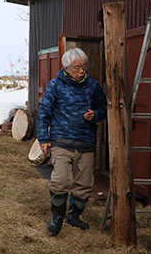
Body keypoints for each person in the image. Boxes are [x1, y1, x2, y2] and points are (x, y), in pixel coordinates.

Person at [37, 48, 107, 236]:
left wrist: (96, 114)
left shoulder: (93, 86)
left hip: (86, 143)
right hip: (61, 142)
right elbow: (44, 114)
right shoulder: (56, 86)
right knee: (60, 181)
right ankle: (57, 217)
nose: (82, 71)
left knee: (84, 185)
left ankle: (74, 216)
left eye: (84, 67)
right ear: (66, 68)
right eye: (77, 68)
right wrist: (44, 139)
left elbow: (104, 108)